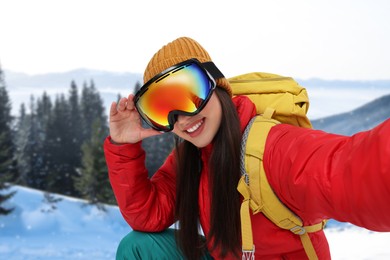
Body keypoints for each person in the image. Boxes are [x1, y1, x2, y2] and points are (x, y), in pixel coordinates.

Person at [104, 37, 390, 260]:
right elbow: (148, 213)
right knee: (138, 247)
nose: (181, 118)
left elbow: (353, 171)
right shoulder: (192, 156)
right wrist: (123, 146)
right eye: (163, 107)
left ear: (215, 83)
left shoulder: (270, 148)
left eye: (191, 94)